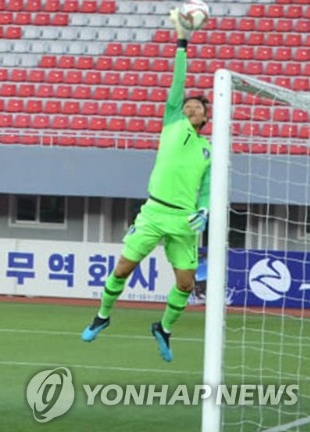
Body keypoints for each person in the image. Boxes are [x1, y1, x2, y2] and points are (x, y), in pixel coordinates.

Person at [81, 12, 212, 363]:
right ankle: (102, 317)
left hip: (184, 221)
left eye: (196, 107)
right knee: (123, 268)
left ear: (205, 116)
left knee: (186, 284)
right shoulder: (172, 122)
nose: (189, 108)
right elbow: (177, 82)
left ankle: (163, 328)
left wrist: (205, 209)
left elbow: (207, 189)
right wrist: (182, 43)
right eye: (187, 105)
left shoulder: (209, 149)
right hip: (154, 212)